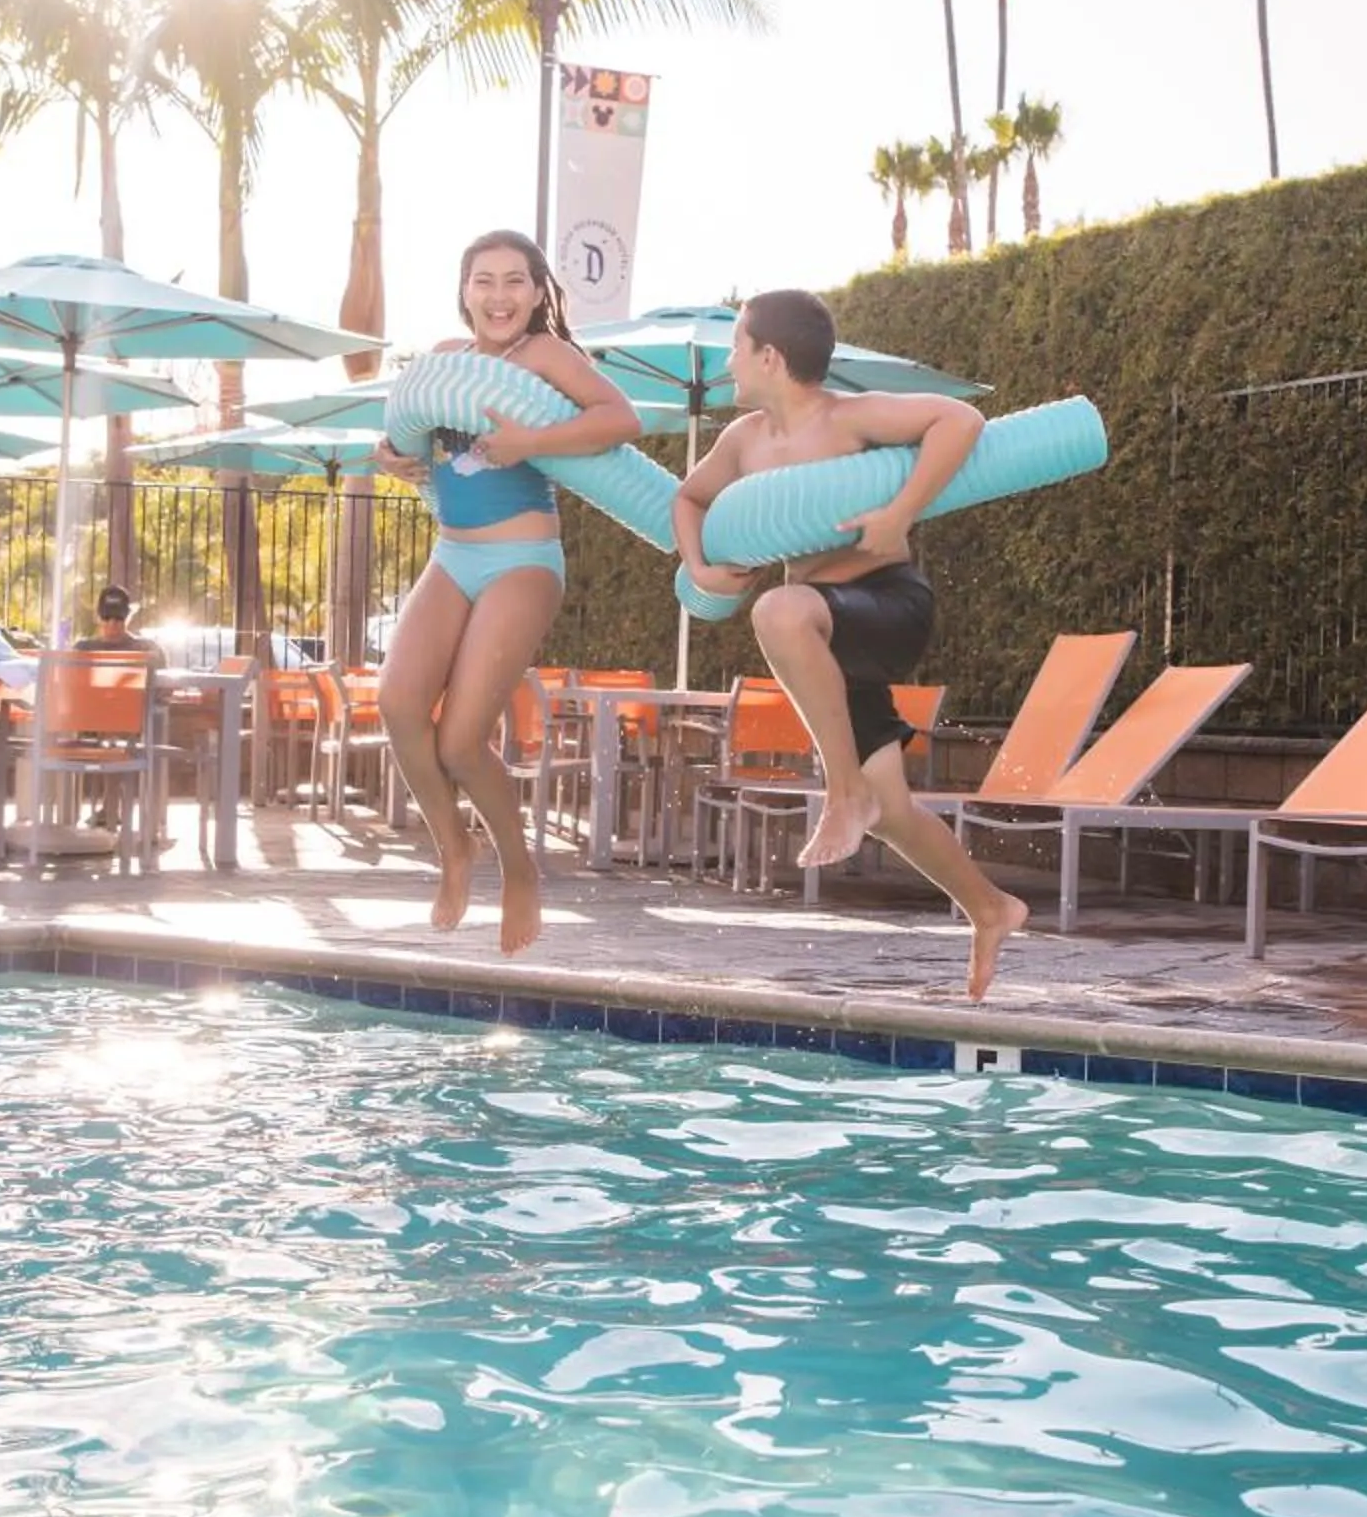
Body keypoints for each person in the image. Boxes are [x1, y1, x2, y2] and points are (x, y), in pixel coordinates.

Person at [673, 287, 1028, 1002]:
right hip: (827, 632)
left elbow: (959, 419)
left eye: (737, 346)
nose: (729, 361)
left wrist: (899, 514)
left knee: (778, 613)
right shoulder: (741, 440)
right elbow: (689, 498)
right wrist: (702, 565)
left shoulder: (849, 417)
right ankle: (991, 908)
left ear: (769, 356)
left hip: (887, 607)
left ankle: (840, 793)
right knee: (893, 809)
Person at [376, 227, 641, 955]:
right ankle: (454, 848)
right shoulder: (443, 361)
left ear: (537, 292)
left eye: (515, 281)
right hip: (452, 556)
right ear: (464, 291)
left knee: (463, 741)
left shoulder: (546, 358)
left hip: (523, 560)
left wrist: (531, 444)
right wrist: (392, 458)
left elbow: (622, 420)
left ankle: (520, 872)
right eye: (484, 281)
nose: (499, 296)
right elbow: (409, 443)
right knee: (398, 704)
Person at [74, 584, 156, 654]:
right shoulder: (82, 650)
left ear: (128, 616)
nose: (112, 622)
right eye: (106, 617)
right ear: (97, 616)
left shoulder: (147, 650)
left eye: (118, 617)